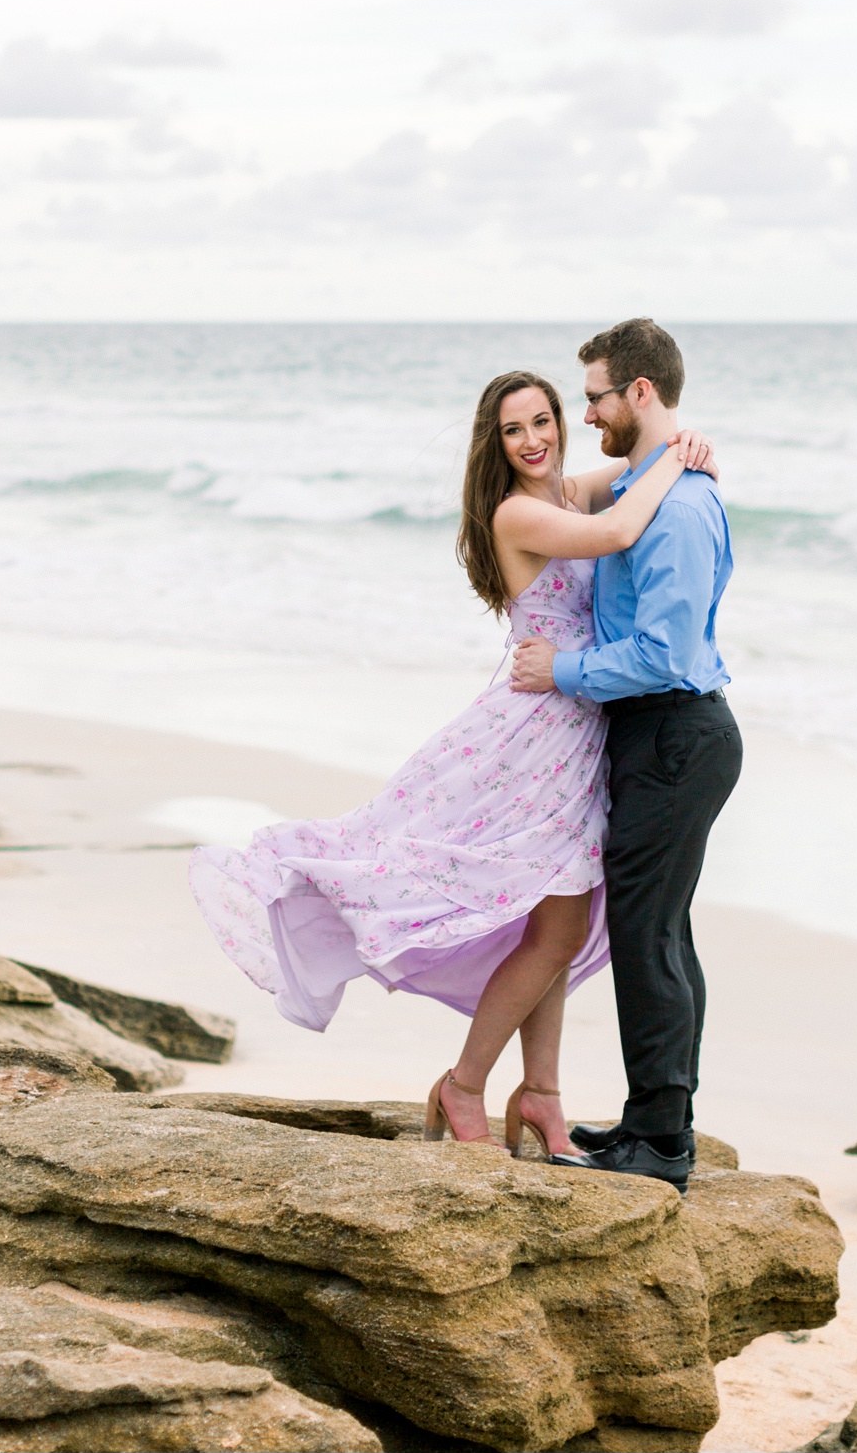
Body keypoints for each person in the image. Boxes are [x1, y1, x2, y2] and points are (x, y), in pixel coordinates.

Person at [191, 366, 712, 1159]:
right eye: (514, 429)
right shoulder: (518, 513)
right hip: (535, 734)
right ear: (494, 444)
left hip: (578, 732)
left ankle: (541, 1094)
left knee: (554, 920)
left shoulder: (568, 490)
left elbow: (637, 467)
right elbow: (621, 531)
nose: (534, 439)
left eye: (544, 420)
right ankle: (465, 1083)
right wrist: (676, 462)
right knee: (559, 922)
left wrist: (686, 443)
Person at [503, 318, 740, 1196]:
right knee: (660, 933)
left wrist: (559, 669)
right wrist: (678, 449)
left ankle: (664, 1142)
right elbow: (589, 494)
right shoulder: (648, 482)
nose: (587, 410)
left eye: (596, 394)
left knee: (650, 938)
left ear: (638, 392)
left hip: (676, 730)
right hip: (656, 733)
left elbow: (665, 654)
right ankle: (654, 1120)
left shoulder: (672, 508)